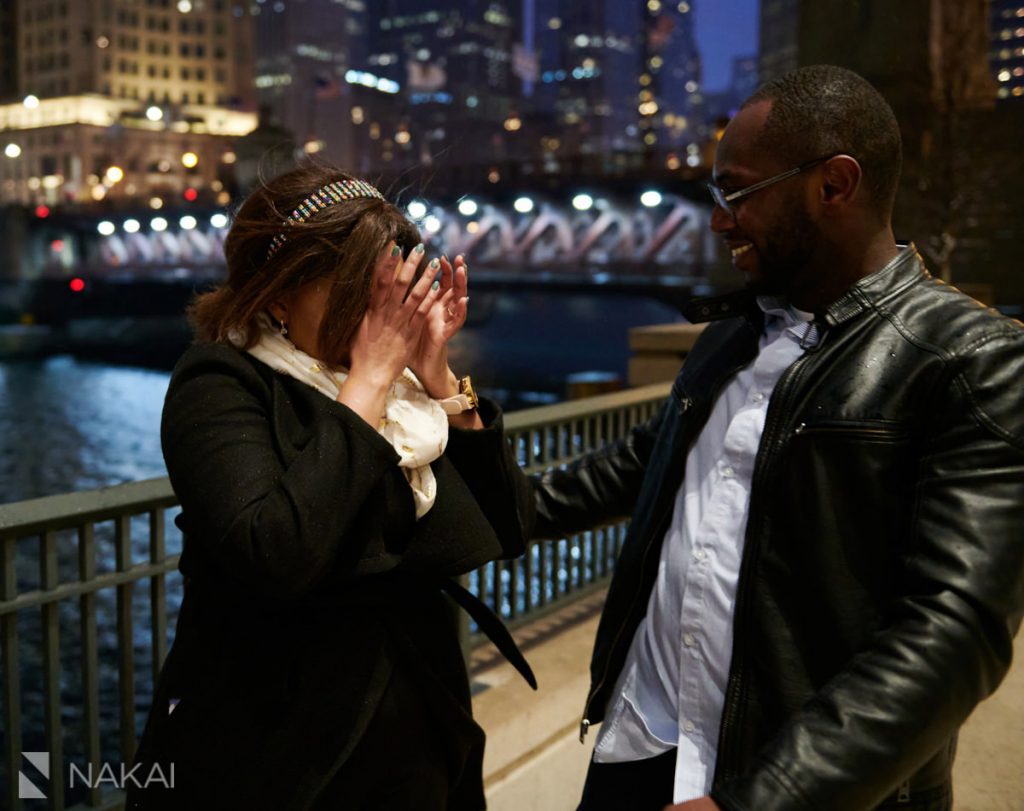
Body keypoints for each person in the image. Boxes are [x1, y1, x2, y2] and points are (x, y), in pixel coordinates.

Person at [527, 65, 1024, 810]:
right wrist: (453, 448)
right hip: (644, 746)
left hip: (802, 784)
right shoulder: (729, 336)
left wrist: (769, 798)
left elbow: (953, 632)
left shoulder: (970, 359)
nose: (720, 219)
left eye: (738, 191)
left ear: (834, 185)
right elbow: (626, 471)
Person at [126, 164, 535, 810]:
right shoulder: (220, 383)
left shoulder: (410, 403)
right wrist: (369, 381)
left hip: (422, 736)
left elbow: (507, 524)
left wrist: (437, 374)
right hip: (278, 752)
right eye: (356, 296)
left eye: (387, 292)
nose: (379, 318)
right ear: (277, 294)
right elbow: (276, 553)